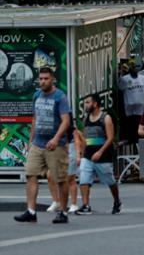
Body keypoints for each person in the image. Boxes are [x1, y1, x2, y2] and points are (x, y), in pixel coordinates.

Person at [15, 68, 71, 224]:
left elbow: (66, 121)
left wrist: (55, 138)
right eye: (40, 79)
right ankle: (31, 211)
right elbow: (35, 119)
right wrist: (30, 140)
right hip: (38, 143)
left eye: (46, 78)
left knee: (60, 179)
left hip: (56, 145)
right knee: (30, 174)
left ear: (52, 79)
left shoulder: (60, 96)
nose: (42, 81)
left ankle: (63, 212)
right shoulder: (36, 95)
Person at [75, 94, 122, 215]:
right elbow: (84, 138)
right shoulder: (85, 119)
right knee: (83, 179)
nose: (85, 105)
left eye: (87, 102)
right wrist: (80, 154)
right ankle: (86, 205)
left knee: (110, 181)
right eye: (85, 102)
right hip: (88, 156)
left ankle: (117, 201)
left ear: (95, 104)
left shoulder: (105, 118)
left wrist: (100, 152)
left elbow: (110, 138)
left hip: (103, 156)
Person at [45, 126, 83, 214]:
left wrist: (78, 154)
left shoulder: (70, 126)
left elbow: (77, 140)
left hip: (70, 150)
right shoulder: (54, 126)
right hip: (57, 150)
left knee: (70, 179)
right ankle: (56, 201)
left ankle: (74, 204)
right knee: (50, 176)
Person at [118, 65, 144, 144]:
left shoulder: (143, 78)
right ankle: (132, 141)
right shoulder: (125, 79)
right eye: (133, 68)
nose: (135, 70)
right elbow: (120, 89)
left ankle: (139, 142)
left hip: (140, 107)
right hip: (129, 107)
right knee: (131, 126)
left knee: (139, 124)